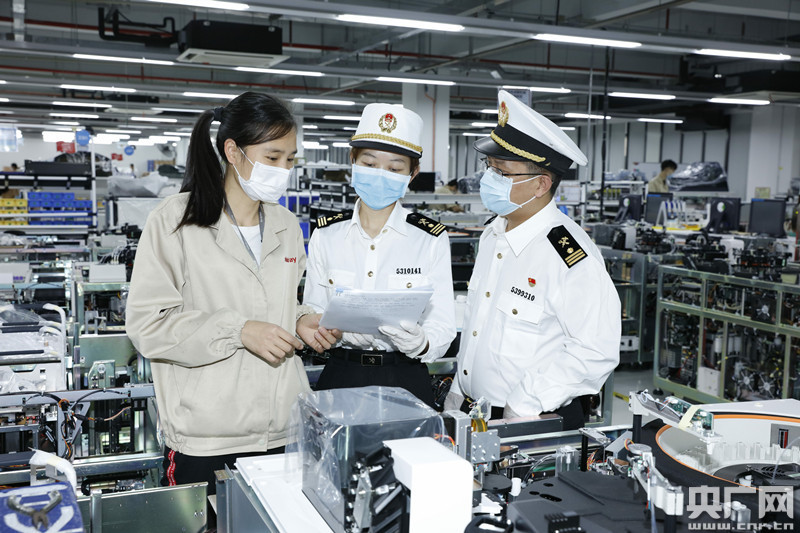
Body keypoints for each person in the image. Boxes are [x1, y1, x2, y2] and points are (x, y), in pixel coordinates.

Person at [126, 92, 338, 498]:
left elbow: (278, 301)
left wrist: (301, 321)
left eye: (290, 160)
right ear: (233, 151)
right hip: (207, 438)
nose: (283, 170)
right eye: (272, 157)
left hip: (285, 429)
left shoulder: (285, 224)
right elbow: (148, 326)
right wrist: (237, 331)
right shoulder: (176, 221)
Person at [444, 90, 620, 430]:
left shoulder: (568, 253)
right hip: (477, 412)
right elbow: (479, 324)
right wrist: (459, 389)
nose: (488, 179)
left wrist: (527, 401)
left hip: (531, 419)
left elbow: (596, 349)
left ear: (540, 185)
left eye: (502, 172)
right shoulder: (493, 233)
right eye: (489, 167)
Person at [303, 103, 456, 407]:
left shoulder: (429, 238)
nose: (380, 175)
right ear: (353, 161)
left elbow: (442, 324)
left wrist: (422, 343)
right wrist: (329, 331)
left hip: (405, 375)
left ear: (412, 174)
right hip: (342, 374)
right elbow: (313, 309)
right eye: (370, 164)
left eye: (395, 169)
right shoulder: (326, 234)